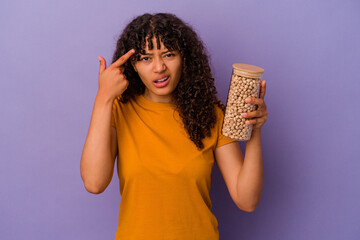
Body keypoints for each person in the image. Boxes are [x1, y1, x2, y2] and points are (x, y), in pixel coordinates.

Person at [80, 13, 268, 240]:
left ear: (184, 58)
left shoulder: (211, 114)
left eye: (168, 54)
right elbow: (94, 183)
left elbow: (246, 200)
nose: (159, 67)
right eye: (146, 58)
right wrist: (103, 98)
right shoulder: (119, 110)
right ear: (133, 65)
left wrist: (253, 129)